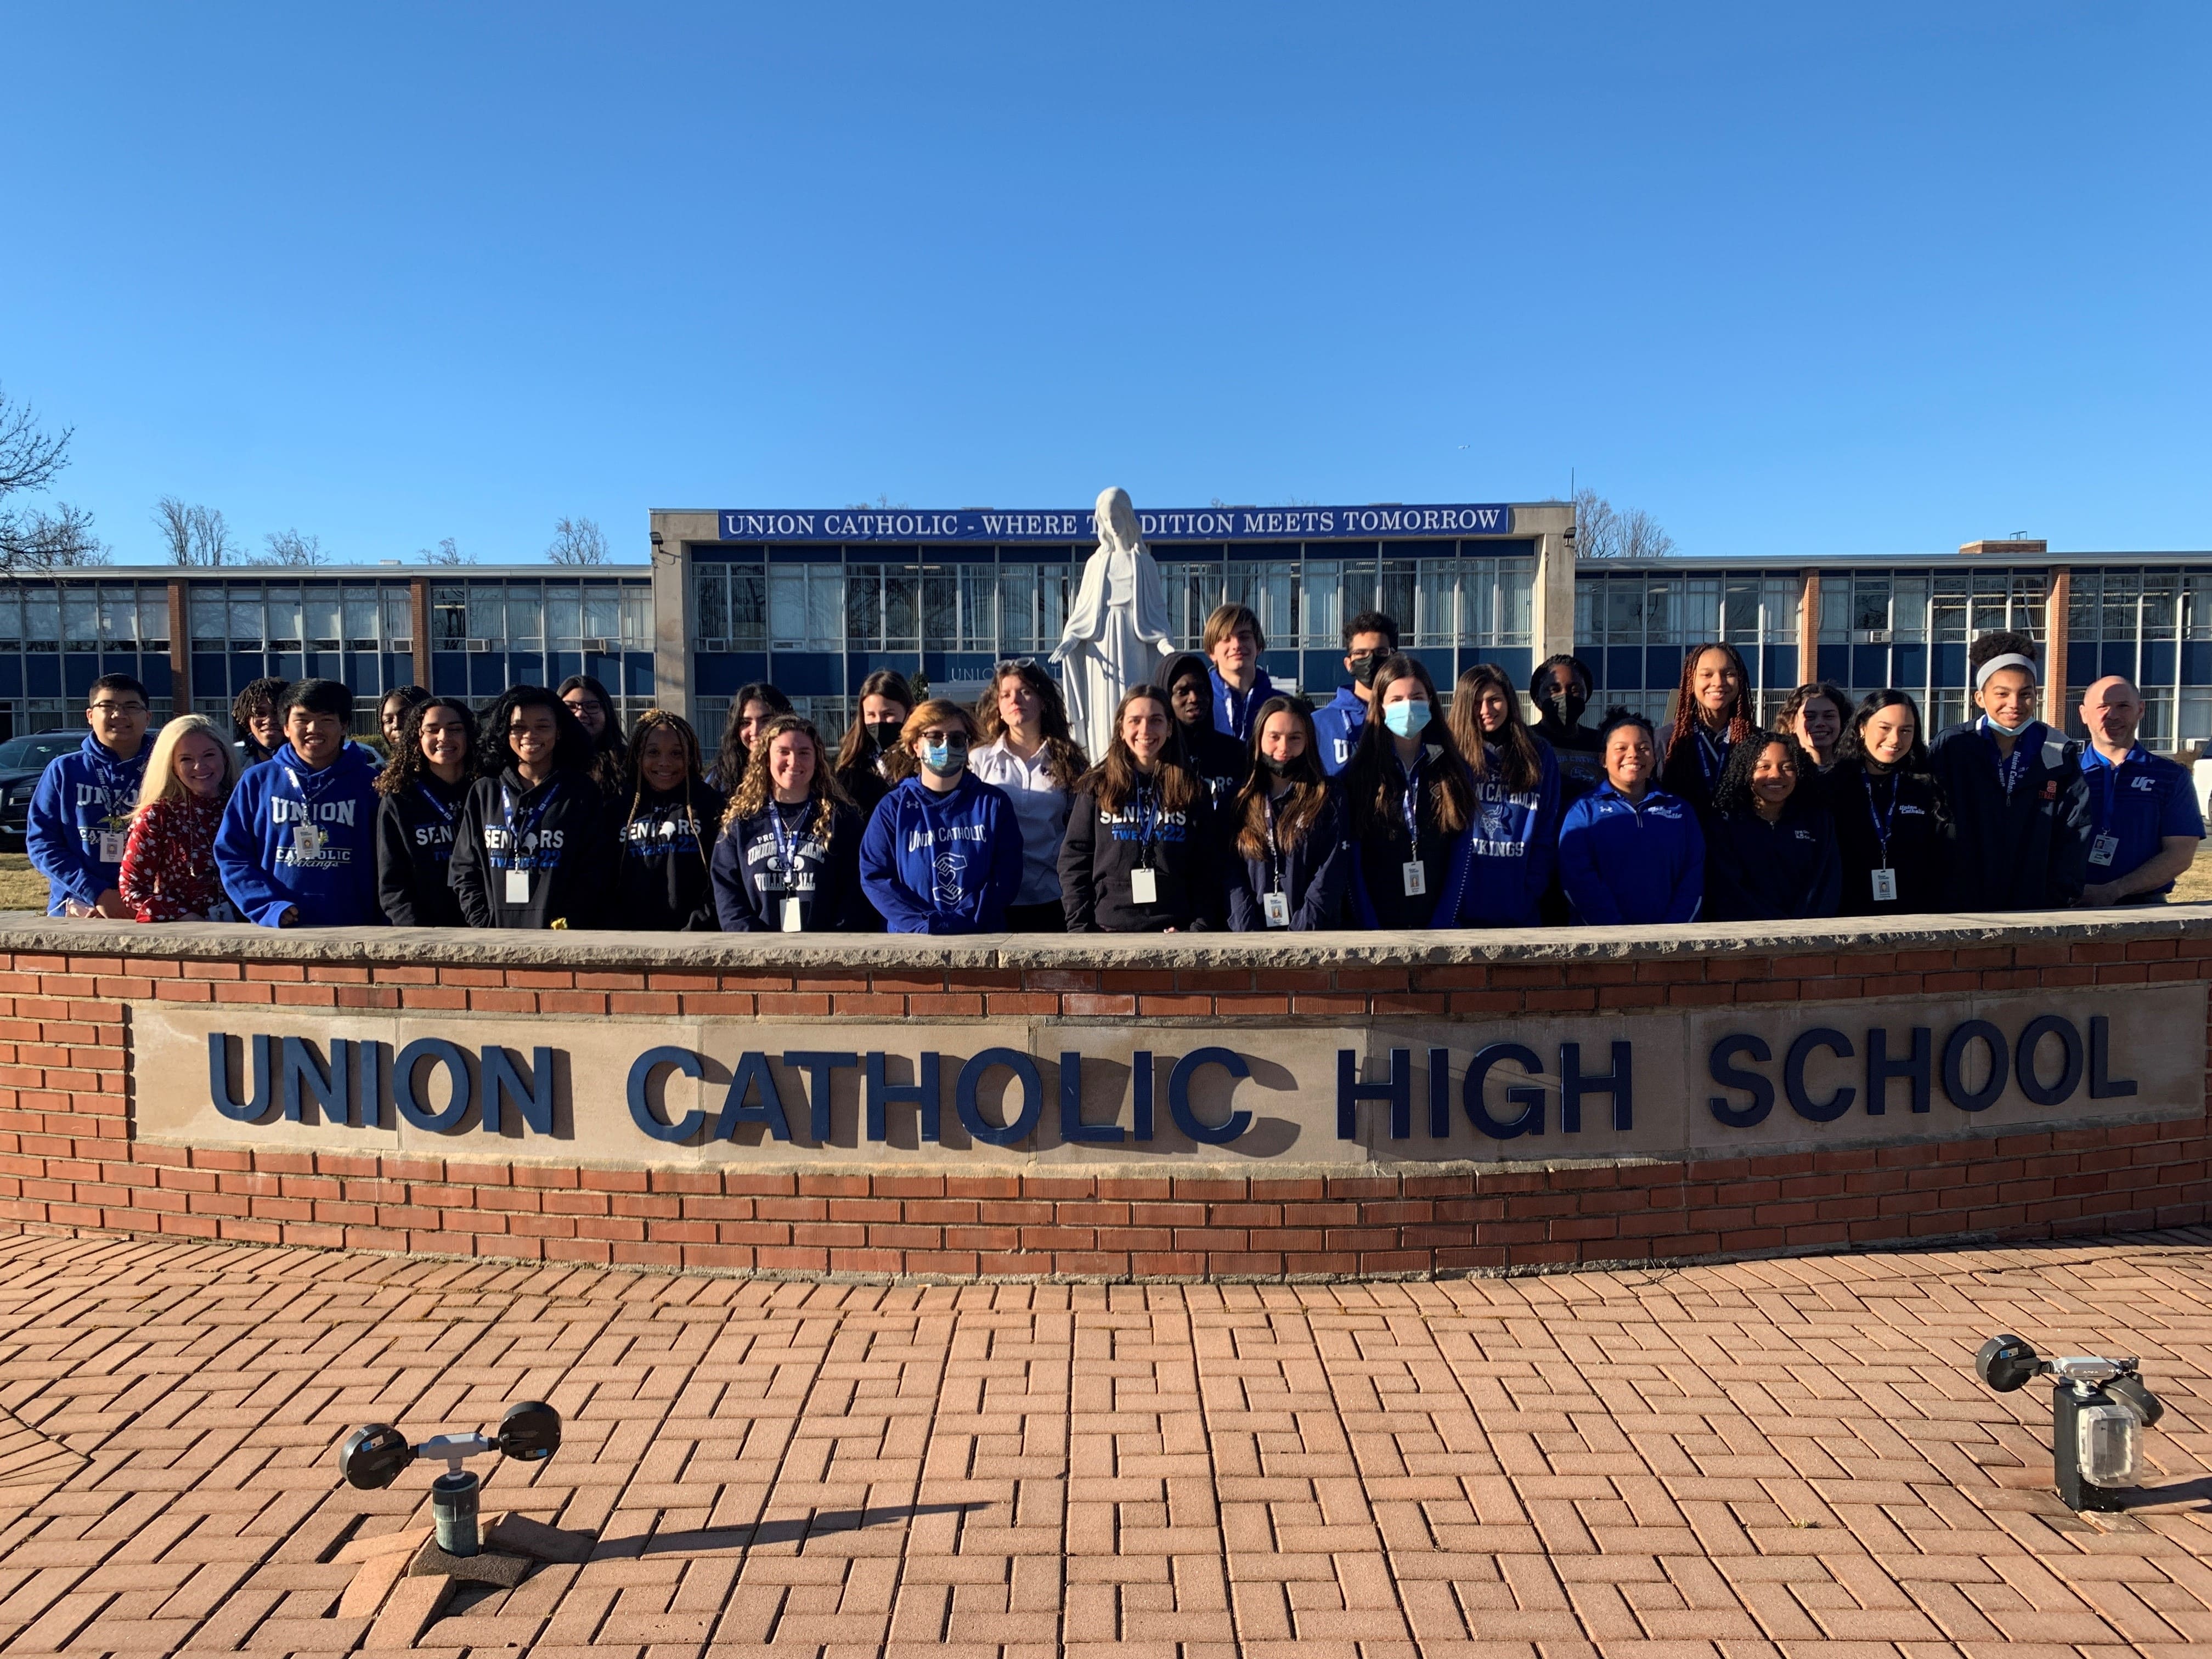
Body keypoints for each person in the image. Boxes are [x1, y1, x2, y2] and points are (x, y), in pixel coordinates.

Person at [1928, 631, 2090, 910]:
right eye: (2002, 694)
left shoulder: (2057, 751)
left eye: (2025, 694)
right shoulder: (1954, 745)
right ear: (1980, 698)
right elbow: (1932, 818)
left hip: (2036, 903)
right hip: (1959, 901)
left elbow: (2075, 827)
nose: (2014, 704)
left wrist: (2059, 894)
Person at [214, 679, 383, 928]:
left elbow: (392, 863)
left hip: (357, 928)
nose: (314, 729)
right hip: (279, 928)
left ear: (344, 725)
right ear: (285, 727)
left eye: (326, 719)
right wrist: (267, 906)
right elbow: (231, 855)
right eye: (302, 720)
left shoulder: (372, 785)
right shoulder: (258, 781)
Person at [1059, 685, 1222, 932]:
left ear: (1169, 728)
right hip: (1107, 930)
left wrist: (1196, 929)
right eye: (1135, 721)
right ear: (1121, 729)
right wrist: (1081, 929)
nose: (1145, 730)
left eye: (1156, 721)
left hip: (1174, 932)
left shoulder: (1193, 790)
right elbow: (1074, 860)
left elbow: (1207, 868)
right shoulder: (1097, 787)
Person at [859, 700, 1023, 934]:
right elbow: (874, 876)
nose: (946, 746)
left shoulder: (993, 804)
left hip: (981, 940)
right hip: (912, 943)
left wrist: (961, 919)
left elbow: (1006, 877)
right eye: (935, 737)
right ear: (915, 745)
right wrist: (926, 923)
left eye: (957, 739)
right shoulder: (893, 808)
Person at [448, 686, 606, 929]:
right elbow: (464, 869)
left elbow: (594, 872)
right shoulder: (485, 792)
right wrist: (483, 923)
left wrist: (565, 924)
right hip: (493, 938)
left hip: (562, 940)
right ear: (505, 731)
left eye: (542, 727)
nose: (530, 736)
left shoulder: (581, 793)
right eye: (519, 727)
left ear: (559, 732)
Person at [1342, 654, 1476, 929]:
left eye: (1416, 697)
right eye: (1397, 700)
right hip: (1376, 928)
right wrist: (1372, 931)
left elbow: (1460, 853)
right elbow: (1353, 864)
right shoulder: (1357, 776)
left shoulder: (1454, 770)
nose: (1408, 706)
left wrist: (1441, 926)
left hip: (1439, 927)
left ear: (1430, 701)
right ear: (1380, 707)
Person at [713, 713, 866, 933]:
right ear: (766, 758)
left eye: (804, 753)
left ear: (817, 759)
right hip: (756, 956)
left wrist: (832, 946)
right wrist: (754, 946)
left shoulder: (842, 820)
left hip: (825, 955)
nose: (794, 761)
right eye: (783, 752)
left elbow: (855, 892)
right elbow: (727, 892)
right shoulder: (742, 822)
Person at [1557, 708, 1705, 925]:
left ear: (1654, 758)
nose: (1633, 754)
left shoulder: (1681, 812)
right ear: (1603, 759)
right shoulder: (1582, 812)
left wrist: (1672, 934)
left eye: (1643, 748)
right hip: (1602, 944)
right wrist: (1616, 934)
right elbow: (1577, 880)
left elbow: (1693, 880)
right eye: (1621, 748)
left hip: (1670, 945)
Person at [971, 659, 1087, 932]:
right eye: (1006, 694)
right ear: (998, 707)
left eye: (1025, 691)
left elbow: (1079, 834)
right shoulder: (978, 760)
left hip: (1053, 896)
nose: (1015, 700)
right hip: (996, 898)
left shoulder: (1071, 762)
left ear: (1043, 700)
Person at [26, 673, 155, 918]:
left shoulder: (165, 769)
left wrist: (141, 900)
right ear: (90, 716)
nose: (119, 715)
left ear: (147, 717)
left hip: (147, 905)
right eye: (107, 706)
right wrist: (97, 894)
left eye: (131, 707)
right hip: (77, 904)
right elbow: (42, 844)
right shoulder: (63, 770)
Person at [1445, 662, 1561, 928]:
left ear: (1508, 699)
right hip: (1458, 913)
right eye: (1476, 703)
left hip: (1520, 909)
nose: (1486, 710)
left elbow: (1546, 832)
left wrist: (1529, 892)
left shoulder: (1539, 754)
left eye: (1494, 699)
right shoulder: (1449, 755)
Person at [2072, 675, 2203, 906]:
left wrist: (2114, 891)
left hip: (2144, 906)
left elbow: (2180, 854)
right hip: (2066, 905)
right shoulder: (2063, 775)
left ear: (2140, 710)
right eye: (2102, 706)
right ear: (2083, 714)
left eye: (2123, 706)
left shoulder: (2171, 777)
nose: (2112, 715)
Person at [1226, 695, 1348, 930]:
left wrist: (1299, 937)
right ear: (1259, 738)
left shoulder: (1330, 797)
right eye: (1274, 737)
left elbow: (1330, 874)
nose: (1284, 748)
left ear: (1308, 742)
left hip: (1313, 940)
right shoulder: (1236, 800)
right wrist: (1249, 936)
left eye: (1295, 738)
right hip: (1249, 942)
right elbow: (1230, 874)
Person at [1701, 730, 1842, 921]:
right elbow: (1727, 888)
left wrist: (1803, 927)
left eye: (1787, 767)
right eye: (1764, 767)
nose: (1776, 775)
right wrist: (1773, 928)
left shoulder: (1818, 820)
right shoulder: (1725, 824)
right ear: (1747, 772)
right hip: (1748, 937)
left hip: (1809, 935)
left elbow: (1826, 882)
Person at [606, 709, 725, 932]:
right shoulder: (617, 809)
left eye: (676, 754)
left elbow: (724, 879)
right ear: (637, 756)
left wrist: (696, 929)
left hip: (697, 940)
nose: (665, 763)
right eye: (653, 752)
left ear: (690, 757)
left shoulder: (712, 806)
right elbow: (602, 883)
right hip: (628, 941)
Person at [1830, 691, 1946, 916]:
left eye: (1905, 731)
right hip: (1845, 916)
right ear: (1862, 728)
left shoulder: (1926, 787)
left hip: (1914, 915)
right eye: (1885, 728)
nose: (1895, 740)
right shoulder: (1833, 786)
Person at [118, 714, 239, 923]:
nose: (199, 767)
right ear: (171, 765)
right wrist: (183, 916)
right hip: (187, 935)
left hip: (250, 929)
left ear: (225, 757)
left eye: (209, 755)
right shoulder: (158, 817)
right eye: (186, 759)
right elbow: (132, 889)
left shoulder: (244, 806)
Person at [374, 696, 476, 927]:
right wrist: (421, 936)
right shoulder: (400, 799)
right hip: (425, 934)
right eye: (433, 730)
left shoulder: (486, 791)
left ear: (469, 734)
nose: (444, 738)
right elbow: (393, 885)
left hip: (485, 928)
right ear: (417, 737)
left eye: (455, 729)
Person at [1656, 642, 1756, 820]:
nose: (1718, 682)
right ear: (1690, 680)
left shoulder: (1757, 741)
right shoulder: (1665, 741)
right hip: (1683, 843)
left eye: (1729, 674)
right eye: (1707, 675)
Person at [1311, 611, 1398, 777]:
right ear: (1349, 664)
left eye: (1381, 652)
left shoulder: (1407, 717)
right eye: (1361, 653)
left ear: (1394, 659)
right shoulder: (1319, 724)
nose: (1371, 660)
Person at [1160, 651, 1249, 812]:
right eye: (1183, 692)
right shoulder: (1156, 757)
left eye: (1201, 690)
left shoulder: (1236, 753)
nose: (1194, 698)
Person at [830, 669, 916, 824]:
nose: (879, 722)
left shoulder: (921, 759)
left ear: (909, 713)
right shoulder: (851, 764)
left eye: (888, 714)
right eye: (871, 715)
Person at [1530, 653, 1604, 802]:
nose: (1564, 695)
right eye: (1554, 690)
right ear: (1537, 699)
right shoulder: (1524, 740)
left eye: (1575, 689)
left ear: (1586, 695)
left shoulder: (1603, 743)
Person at [1202, 602, 1276, 743]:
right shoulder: (1200, 705)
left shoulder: (1281, 704)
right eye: (1226, 639)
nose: (1236, 645)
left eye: (1244, 637)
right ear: (1211, 652)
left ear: (1258, 646)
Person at [709, 682, 793, 793]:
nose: (756, 731)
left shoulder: (801, 770)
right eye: (745, 723)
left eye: (766, 721)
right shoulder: (721, 778)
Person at [558, 674, 629, 798]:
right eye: (570, 707)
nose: (580, 714)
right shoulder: (544, 762)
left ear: (606, 713)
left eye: (591, 707)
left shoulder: (629, 763)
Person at [1777, 682, 1850, 774]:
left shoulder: (1857, 774)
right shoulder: (1783, 775)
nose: (1820, 723)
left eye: (1829, 716)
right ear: (1791, 724)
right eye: (1810, 717)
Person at [231, 676, 288, 768]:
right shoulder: (231, 762)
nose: (269, 720)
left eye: (277, 712)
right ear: (246, 721)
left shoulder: (315, 763)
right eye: (260, 713)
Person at [378, 685, 432, 755]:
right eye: (388, 720)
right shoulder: (390, 765)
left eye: (405, 716)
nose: (396, 725)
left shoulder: (446, 763)